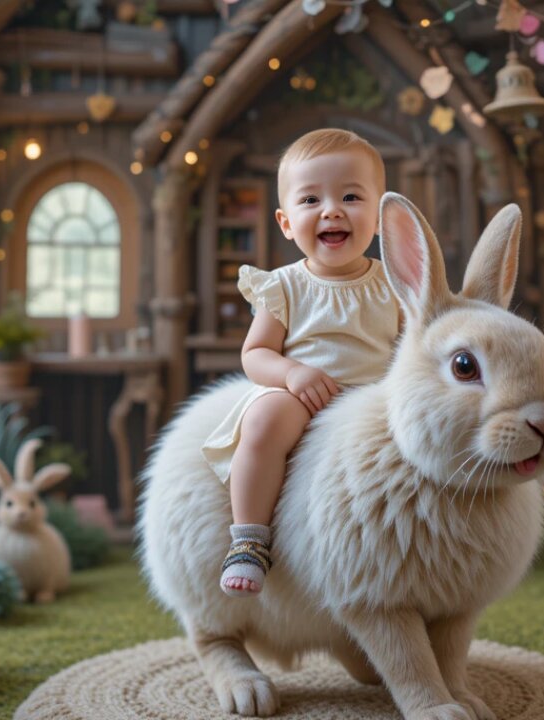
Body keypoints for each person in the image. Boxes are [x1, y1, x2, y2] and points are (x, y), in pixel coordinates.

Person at [201, 128, 401, 597]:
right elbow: (255, 354)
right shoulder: (284, 286)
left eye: (351, 196)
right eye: (310, 200)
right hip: (301, 398)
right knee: (266, 418)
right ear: (286, 222)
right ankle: (249, 539)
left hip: (369, 400)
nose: (331, 209)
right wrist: (292, 372)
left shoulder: (391, 285)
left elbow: (412, 347)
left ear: (379, 216)